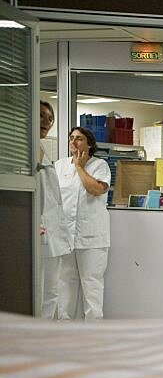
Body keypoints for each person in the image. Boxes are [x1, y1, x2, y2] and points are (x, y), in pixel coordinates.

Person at [54, 126, 111, 320]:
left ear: (89, 144)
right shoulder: (60, 166)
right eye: (71, 138)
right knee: (64, 285)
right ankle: (65, 332)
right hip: (64, 237)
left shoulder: (100, 165)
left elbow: (96, 189)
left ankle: (93, 335)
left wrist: (79, 166)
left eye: (79, 138)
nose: (73, 141)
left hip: (92, 239)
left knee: (92, 285)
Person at [37, 101, 71, 319]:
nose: (46, 122)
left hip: (51, 232)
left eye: (50, 119)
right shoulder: (22, 148)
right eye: (41, 116)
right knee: (39, 289)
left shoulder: (41, 148)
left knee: (51, 290)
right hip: (38, 230)